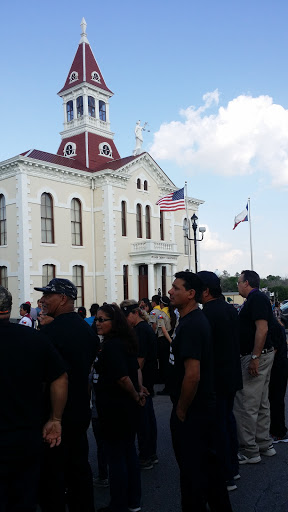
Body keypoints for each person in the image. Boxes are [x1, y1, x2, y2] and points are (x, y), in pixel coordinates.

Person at [168, 272, 233, 511]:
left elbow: (192, 375)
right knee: (208, 470)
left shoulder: (194, 324)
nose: (170, 291)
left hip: (194, 411)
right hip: (199, 409)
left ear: (191, 294)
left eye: (176, 288)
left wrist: (182, 410)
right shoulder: (187, 320)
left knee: (193, 474)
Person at [0, 286, 68, 512]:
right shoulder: (34, 338)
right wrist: (55, 419)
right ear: (9, 308)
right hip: (25, 435)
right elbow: (60, 377)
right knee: (23, 500)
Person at [35, 278, 98, 512]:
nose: (42, 300)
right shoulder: (86, 330)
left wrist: (52, 416)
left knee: (53, 475)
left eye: (47, 295)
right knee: (79, 468)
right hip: (80, 409)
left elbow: (44, 377)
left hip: (56, 414)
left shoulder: (50, 333)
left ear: (62, 299)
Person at [93, 304, 145, 512]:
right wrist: (139, 391)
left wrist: (135, 394)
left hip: (115, 409)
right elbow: (135, 370)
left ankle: (119, 503)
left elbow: (123, 377)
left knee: (116, 457)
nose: (97, 323)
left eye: (102, 319)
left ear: (114, 323)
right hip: (123, 408)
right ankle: (133, 500)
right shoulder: (123, 342)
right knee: (128, 453)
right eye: (97, 319)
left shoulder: (113, 346)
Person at [198, 271, 243, 491]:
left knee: (218, 427)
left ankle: (225, 474)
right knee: (227, 421)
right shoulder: (228, 309)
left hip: (216, 378)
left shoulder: (207, 314)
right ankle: (233, 467)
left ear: (205, 291)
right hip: (231, 375)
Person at [234, 270, 276, 464]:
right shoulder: (255, 299)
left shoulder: (256, 298)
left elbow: (263, 328)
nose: (237, 285)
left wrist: (255, 357)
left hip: (257, 355)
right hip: (262, 354)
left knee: (247, 403)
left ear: (247, 283)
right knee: (260, 401)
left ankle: (250, 450)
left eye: (239, 281)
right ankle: (263, 443)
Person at [120, 300, 158, 470]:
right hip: (146, 379)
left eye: (127, 315)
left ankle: (146, 455)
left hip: (144, 380)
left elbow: (139, 360)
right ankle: (150, 453)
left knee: (144, 421)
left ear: (135, 313)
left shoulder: (141, 330)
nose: (126, 319)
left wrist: (135, 383)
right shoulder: (140, 328)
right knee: (147, 418)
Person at [269, 316, 288, 442]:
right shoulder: (278, 326)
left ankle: (278, 432)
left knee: (275, 399)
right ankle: (278, 430)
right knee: (277, 399)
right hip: (281, 366)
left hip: (277, 367)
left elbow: (273, 350)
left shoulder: (273, 328)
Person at [156, 296, 176, 395]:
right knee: (170, 364)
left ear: (161, 304)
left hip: (164, 340)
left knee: (164, 365)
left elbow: (163, 330)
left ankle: (167, 388)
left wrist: (169, 341)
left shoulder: (160, 314)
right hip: (171, 338)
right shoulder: (172, 313)